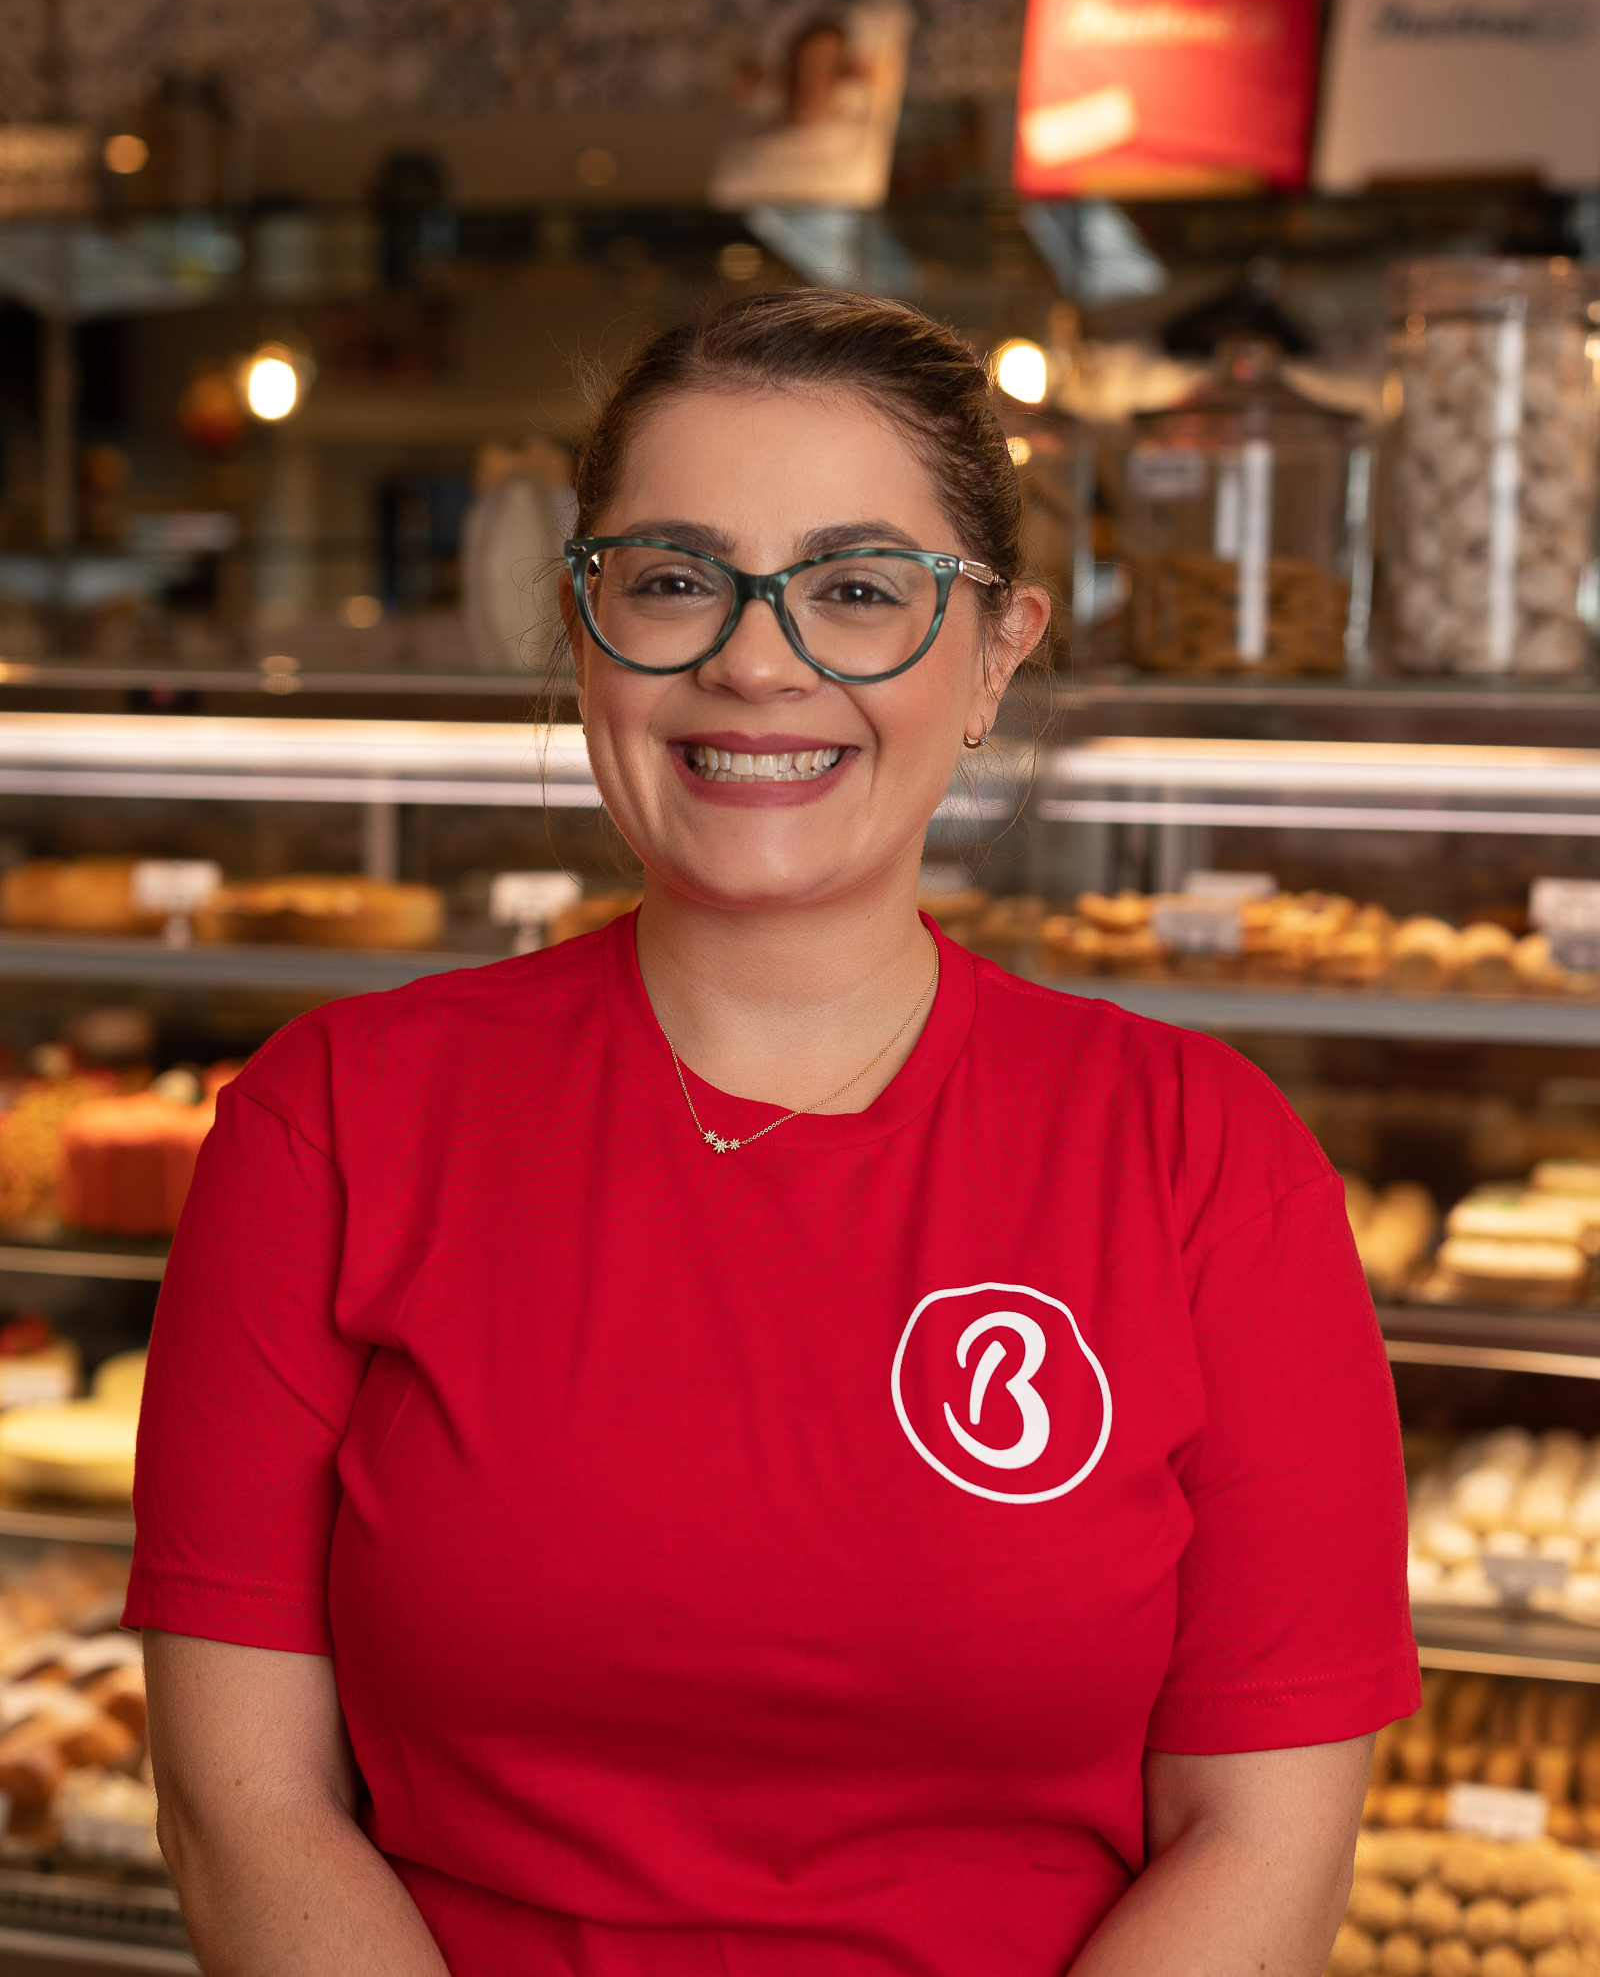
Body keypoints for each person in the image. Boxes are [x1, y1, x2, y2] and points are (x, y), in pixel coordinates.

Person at [130, 289, 1417, 1977]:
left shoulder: (1205, 1164)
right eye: (672, 580)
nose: (754, 658)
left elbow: (1261, 1843)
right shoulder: (329, 1129)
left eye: (857, 590)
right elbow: (244, 1812)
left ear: (997, 655)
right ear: (582, 632)